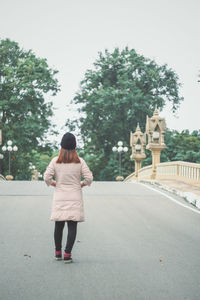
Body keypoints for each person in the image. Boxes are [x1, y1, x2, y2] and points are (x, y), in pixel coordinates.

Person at [43, 132, 93, 263]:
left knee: (58, 226)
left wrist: (53, 183)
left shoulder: (55, 161)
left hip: (59, 196)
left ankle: (57, 253)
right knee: (72, 226)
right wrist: (81, 184)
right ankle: (67, 254)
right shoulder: (80, 162)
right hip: (75, 196)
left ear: (62, 146)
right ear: (75, 147)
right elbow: (89, 178)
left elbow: (46, 177)